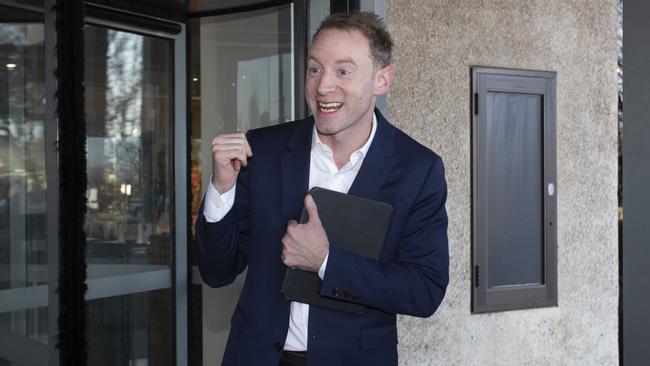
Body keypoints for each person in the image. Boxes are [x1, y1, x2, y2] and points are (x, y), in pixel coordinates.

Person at [196, 11, 449, 366]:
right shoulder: (263, 151)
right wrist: (222, 188)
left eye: (343, 71)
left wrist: (326, 261)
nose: (323, 86)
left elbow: (424, 291)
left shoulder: (418, 170)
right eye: (314, 69)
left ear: (382, 80)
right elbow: (216, 271)